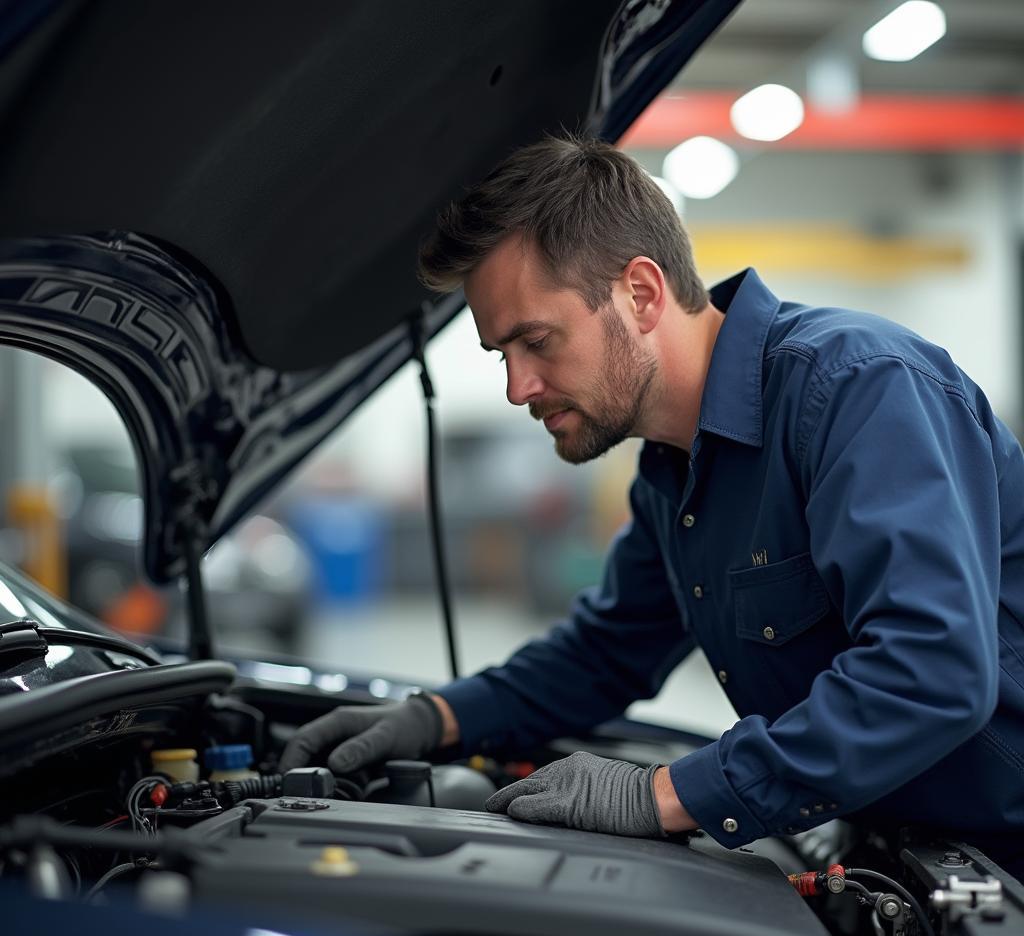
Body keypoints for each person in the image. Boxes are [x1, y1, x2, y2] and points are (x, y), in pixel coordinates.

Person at [281, 134, 1024, 876]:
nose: (517, 388)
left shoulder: (859, 390)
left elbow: (931, 672)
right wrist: (433, 718)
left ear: (639, 292)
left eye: (535, 341)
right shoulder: (673, 469)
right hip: (909, 852)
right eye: (500, 355)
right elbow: (608, 652)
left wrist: (665, 796)